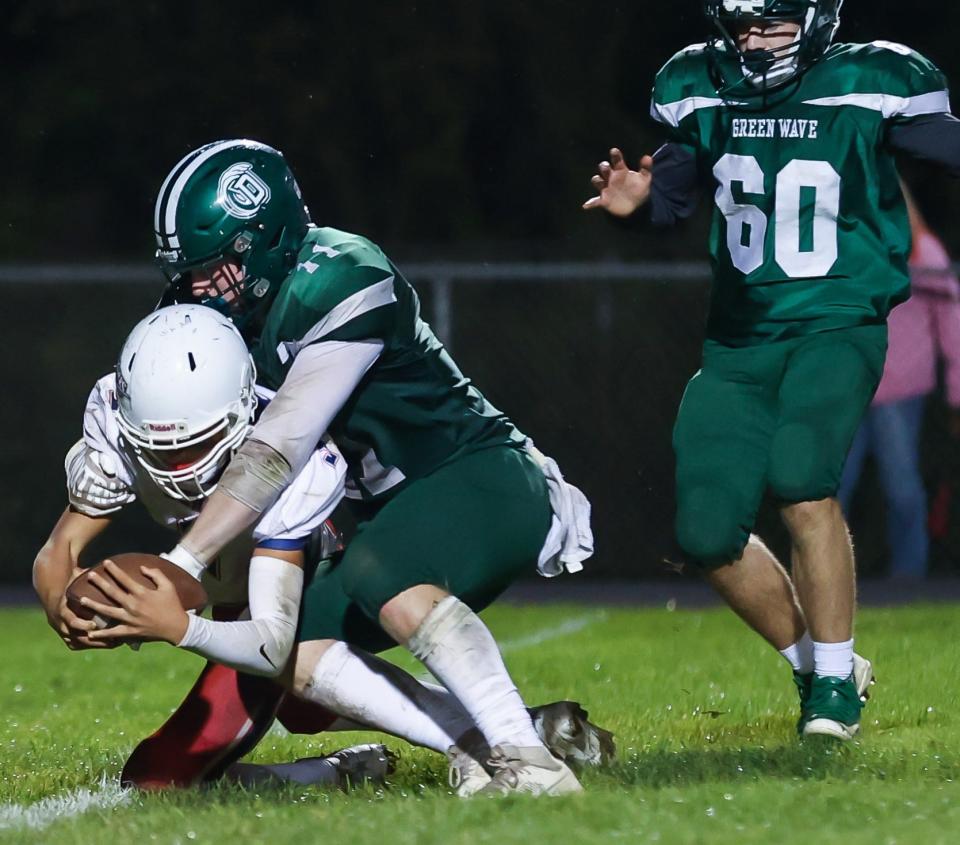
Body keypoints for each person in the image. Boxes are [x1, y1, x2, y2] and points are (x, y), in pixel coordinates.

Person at [87, 140, 601, 796]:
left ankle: (527, 762)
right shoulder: (213, 319)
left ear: (266, 242)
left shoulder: (340, 275)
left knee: (377, 567)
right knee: (284, 653)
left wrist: (182, 566)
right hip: (391, 518)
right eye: (185, 271)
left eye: (213, 268)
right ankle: (494, 736)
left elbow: (281, 444)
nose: (196, 288)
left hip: (485, 476)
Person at [583, 0, 960, 739]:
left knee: (800, 475)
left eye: (773, 25)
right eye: (743, 26)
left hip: (838, 319)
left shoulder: (870, 78)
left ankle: (832, 690)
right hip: (740, 336)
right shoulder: (701, 83)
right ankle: (820, 664)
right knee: (704, 529)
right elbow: (676, 199)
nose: (754, 42)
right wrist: (642, 202)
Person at [39, 305, 610, 791]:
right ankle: (515, 730)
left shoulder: (295, 462)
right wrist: (61, 598)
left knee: (159, 778)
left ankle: (480, 744)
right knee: (303, 708)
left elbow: (270, 642)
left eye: (198, 444)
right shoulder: (114, 418)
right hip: (233, 586)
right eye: (159, 451)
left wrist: (181, 628)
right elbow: (59, 548)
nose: (181, 467)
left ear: (245, 409)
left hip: (293, 585)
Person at [839, 185, 960, 579]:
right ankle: (823, 582)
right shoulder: (845, 250)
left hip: (901, 393)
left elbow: (953, 332)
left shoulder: (925, 255)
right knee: (827, 493)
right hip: (849, 390)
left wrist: (959, 398)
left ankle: (909, 584)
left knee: (903, 491)